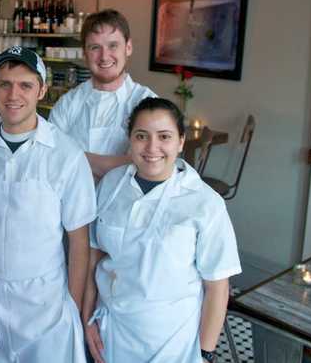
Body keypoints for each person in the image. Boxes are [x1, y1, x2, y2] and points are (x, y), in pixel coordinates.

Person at [0, 45, 96, 362]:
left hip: (46, 302)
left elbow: (79, 240)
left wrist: (70, 305)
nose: (13, 94)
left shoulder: (65, 154)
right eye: (4, 83)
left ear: (41, 90)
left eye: (25, 85)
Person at [82, 97, 241, 363]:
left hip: (170, 342)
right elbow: (93, 259)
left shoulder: (204, 203)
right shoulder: (111, 185)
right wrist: (87, 320)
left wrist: (204, 354)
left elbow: (217, 288)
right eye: (141, 136)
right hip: (112, 333)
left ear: (181, 141)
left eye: (164, 136)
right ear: (130, 139)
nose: (152, 147)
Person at [49, 9, 157, 180]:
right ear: (84, 53)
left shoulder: (148, 104)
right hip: (72, 204)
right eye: (95, 47)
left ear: (128, 48)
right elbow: (50, 160)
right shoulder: (68, 103)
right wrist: (123, 163)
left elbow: (148, 167)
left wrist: (72, 157)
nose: (104, 56)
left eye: (113, 45)